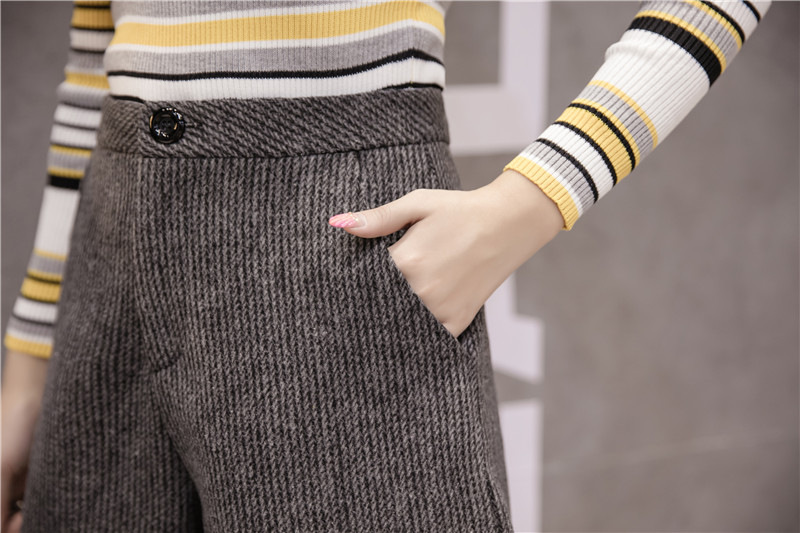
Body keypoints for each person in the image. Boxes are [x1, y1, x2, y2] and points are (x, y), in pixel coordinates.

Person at [1, 1, 770, 531]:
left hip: (335, 240)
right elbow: (95, 59)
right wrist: (31, 368)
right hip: (109, 259)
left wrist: (537, 196)